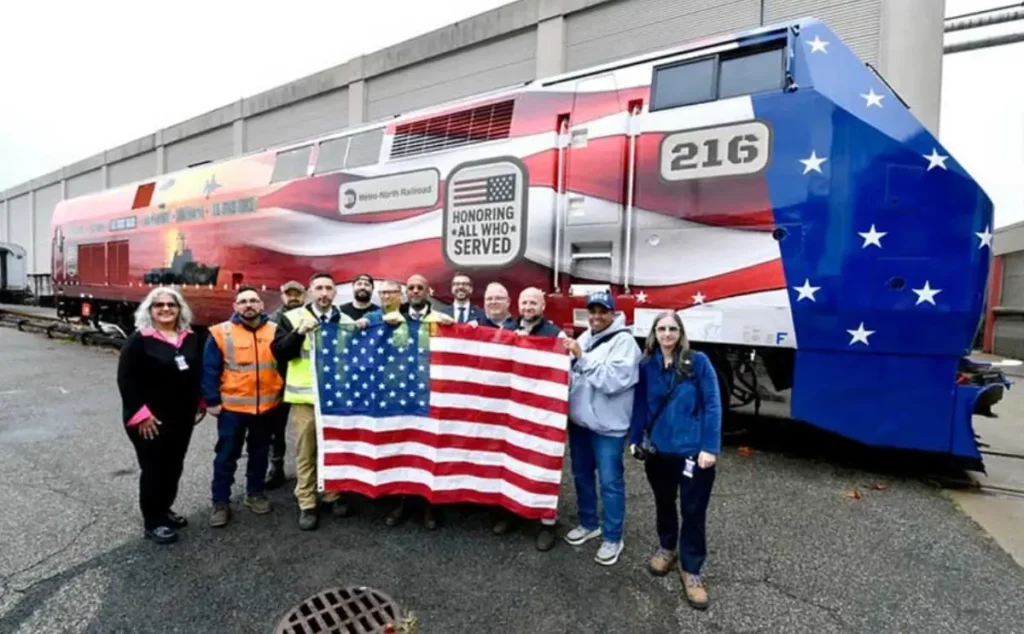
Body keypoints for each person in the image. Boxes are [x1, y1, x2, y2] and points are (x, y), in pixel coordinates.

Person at [629, 311, 721, 610]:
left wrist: (710, 446)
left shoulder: (699, 362)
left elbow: (712, 404)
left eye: (672, 329)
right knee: (664, 503)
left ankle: (691, 569)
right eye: (661, 329)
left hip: (694, 453)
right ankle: (667, 547)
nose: (667, 334)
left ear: (680, 333)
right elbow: (640, 404)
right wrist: (634, 439)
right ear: (654, 333)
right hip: (659, 452)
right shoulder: (646, 366)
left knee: (693, 511)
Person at [271, 272, 359, 530]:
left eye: (328, 288)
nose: (323, 293)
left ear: (334, 293)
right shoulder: (292, 318)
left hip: (336, 400)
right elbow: (279, 352)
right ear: (310, 292)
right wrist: (299, 333)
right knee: (306, 452)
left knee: (333, 448)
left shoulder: (345, 321)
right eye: (318, 288)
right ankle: (307, 501)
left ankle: (333, 494)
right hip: (305, 398)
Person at [116, 287, 205, 545]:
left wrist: (199, 402)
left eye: (171, 305)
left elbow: (195, 372)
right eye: (159, 305)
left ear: (180, 309)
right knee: (155, 468)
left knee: (174, 466)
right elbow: (126, 380)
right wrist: (140, 414)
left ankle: (165, 508)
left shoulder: (189, 337)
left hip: (182, 416)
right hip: (148, 418)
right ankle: (153, 521)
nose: (166, 309)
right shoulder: (139, 339)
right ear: (150, 310)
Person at [562, 290, 641, 566]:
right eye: (592, 311)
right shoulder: (585, 337)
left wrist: (581, 360)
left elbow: (613, 380)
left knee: (610, 483)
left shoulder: (625, 343)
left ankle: (612, 536)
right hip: (581, 424)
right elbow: (572, 374)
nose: (596, 317)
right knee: (581, 475)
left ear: (613, 313)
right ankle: (588, 522)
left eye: (602, 311)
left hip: (608, 428)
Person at [202, 286, 285, 528]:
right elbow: (209, 370)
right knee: (226, 456)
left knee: (259, 453)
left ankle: (255, 494)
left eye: (253, 301)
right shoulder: (220, 333)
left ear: (261, 305)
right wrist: (212, 401)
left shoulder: (275, 330)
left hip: (267, 407)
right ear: (235, 307)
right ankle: (220, 502)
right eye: (243, 301)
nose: (248, 305)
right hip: (232, 409)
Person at [375, 274, 453, 529]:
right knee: (404, 447)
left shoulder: (440, 319)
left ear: (428, 290)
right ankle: (404, 501)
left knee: (430, 449)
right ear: (405, 292)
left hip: (432, 393)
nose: (416, 291)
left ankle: (430, 504)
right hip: (400, 394)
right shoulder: (392, 318)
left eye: (420, 287)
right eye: (411, 288)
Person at [492, 287, 566, 550]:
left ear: (543, 305)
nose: (528, 307)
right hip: (512, 411)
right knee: (511, 464)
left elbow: (562, 371)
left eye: (533, 302)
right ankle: (511, 513)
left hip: (542, 413)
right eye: (524, 302)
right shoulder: (508, 329)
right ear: (518, 305)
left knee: (543, 465)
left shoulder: (556, 334)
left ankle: (547, 523)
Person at [266, 280, 306, 489]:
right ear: (282, 296)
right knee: (276, 429)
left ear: (304, 295)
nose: (293, 298)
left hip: (304, 382)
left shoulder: (311, 316)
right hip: (279, 381)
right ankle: (276, 467)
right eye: (288, 294)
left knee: (307, 430)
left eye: (297, 294)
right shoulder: (272, 321)